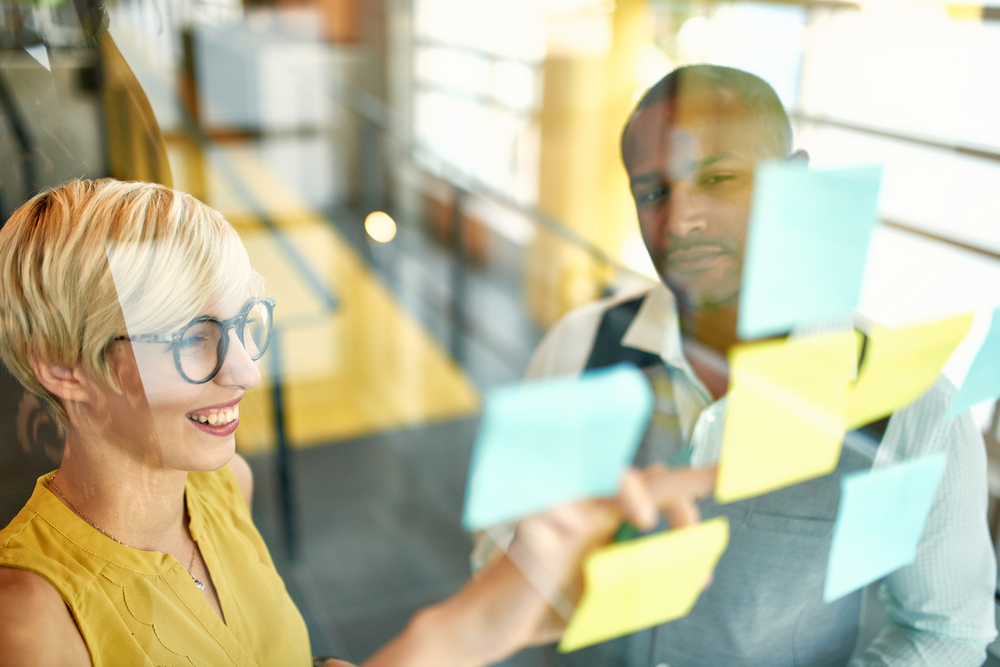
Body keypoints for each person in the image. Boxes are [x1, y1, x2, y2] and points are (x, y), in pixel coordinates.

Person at [0, 179, 717, 666]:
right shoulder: (29, 618)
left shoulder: (222, 486)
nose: (245, 371)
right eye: (190, 338)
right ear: (64, 368)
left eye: (244, 323)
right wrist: (453, 633)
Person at [473, 65, 997, 666]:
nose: (680, 221)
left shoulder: (913, 409)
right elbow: (498, 536)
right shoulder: (576, 346)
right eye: (653, 192)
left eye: (718, 177)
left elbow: (945, 630)